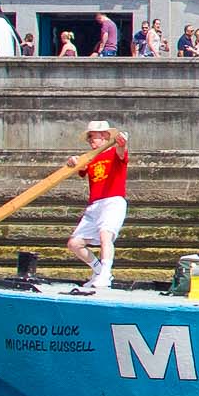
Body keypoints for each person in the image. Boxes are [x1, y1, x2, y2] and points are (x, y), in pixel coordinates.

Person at [65, 120, 129, 295]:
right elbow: (80, 166)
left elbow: (122, 151)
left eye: (93, 136)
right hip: (95, 204)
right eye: (89, 137)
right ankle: (99, 270)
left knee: (105, 235)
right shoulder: (90, 157)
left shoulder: (115, 152)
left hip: (113, 200)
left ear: (104, 137)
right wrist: (73, 162)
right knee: (74, 243)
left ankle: (106, 273)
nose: (90, 140)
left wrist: (122, 143)